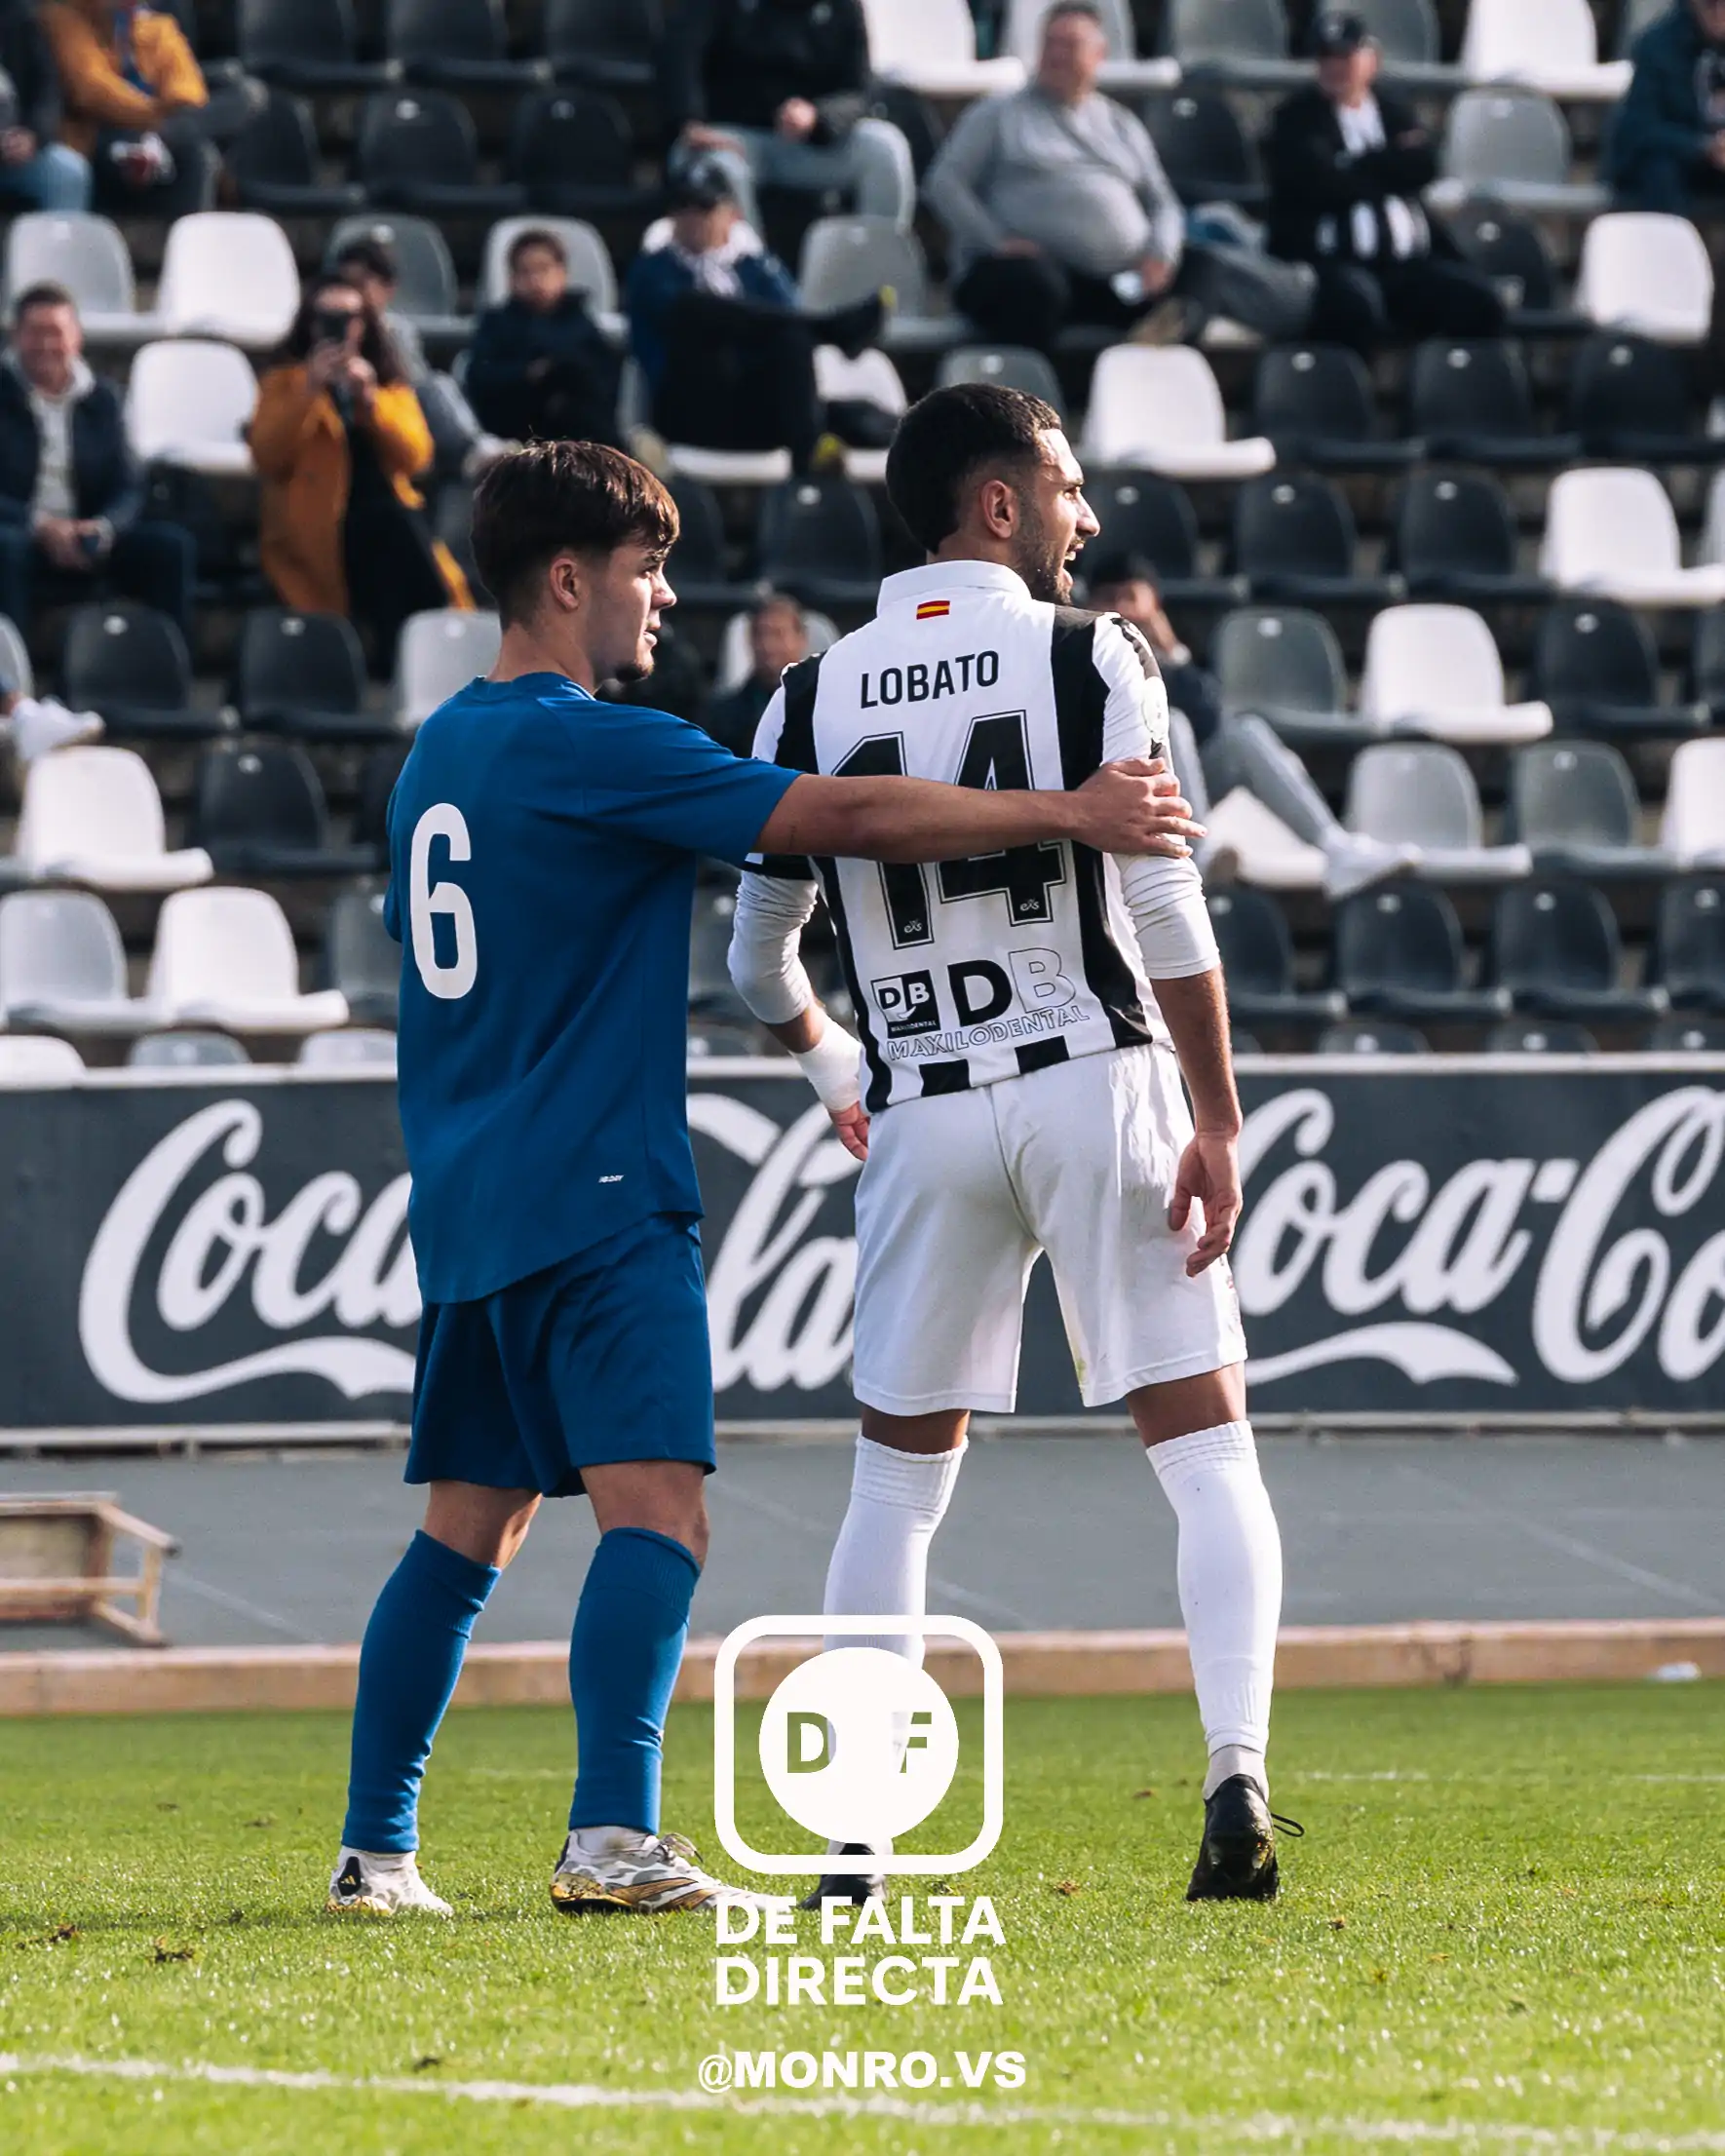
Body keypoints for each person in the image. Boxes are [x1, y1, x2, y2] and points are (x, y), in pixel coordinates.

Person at [326, 437, 1193, 1917]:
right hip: (598, 1192)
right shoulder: (590, 742)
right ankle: (610, 1841)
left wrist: (810, 1039)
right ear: (563, 578)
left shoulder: (439, 754)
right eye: (643, 570)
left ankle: (376, 1850)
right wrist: (1070, 813)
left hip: (467, 1194)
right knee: (660, 1511)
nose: (662, 599)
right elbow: (835, 814)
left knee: (465, 1530)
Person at [725, 384, 1293, 1906]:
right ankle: (1235, 1777)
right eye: (1064, 481)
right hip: (1090, 1076)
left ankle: (855, 1835)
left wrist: (831, 1060)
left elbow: (750, 952)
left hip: (919, 1101)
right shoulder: (1089, 651)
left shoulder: (803, 695)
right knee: (1206, 1451)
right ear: (996, 503)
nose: (1086, 512)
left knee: (894, 1490)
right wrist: (1219, 1115)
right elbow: (1164, 902)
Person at [1084, 551, 1416, 900]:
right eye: (1109, 598)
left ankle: (1336, 848)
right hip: (1106, 789)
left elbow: (1210, 719)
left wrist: (1171, 653)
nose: (1121, 608)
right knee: (1175, 723)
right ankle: (1197, 853)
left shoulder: (1169, 663)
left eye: (1130, 597)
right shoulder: (1078, 651)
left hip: (1166, 792)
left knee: (1243, 734)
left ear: (1154, 603)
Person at [925, 3, 1196, 352]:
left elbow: (1163, 202)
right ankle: (1034, 396)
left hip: (1110, 283)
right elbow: (945, 183)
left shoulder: (1121, 123)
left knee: (1205, 268)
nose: (1056, 54)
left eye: (1069, 45)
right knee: (1033, 286)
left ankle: (1144, 357)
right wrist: (995, 240)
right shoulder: (998, 113)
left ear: (1099, 55)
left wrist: (1161, 254)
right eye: (1049, 43)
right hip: (1023, 274)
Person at [249, 276, 470, 663]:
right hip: (316, 526)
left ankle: (415, 657)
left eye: (350, 317)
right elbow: (267, 455)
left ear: (365, 324)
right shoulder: (284, 383)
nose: (340, 327)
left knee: (399, 532)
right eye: (327, 317)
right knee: (395, 533)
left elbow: (417, 457)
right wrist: (310, 390)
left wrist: (371, 403)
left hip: (387, 519)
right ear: (310, 323)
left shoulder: (386, 383)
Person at [1264, 13, 1504, 354]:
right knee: (1355, 305)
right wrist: (1389, 167)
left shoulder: (1392, 109)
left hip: (1407, 263)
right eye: (1326, 58)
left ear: (1370, 60)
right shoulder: (1295, 118)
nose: (1335, 68)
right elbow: (1317, 183)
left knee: (1479, 300)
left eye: (1344, 57)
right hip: (1336, 262)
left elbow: (1424, 165)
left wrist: (1353, 166)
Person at [625, 158, 882, 474]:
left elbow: (788, 319)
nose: (692, 218)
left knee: (792, 337)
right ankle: (829, 327)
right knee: (694, 310)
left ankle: (808, 455)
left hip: (753, 411)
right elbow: (678, 319)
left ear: (732, 215)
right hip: (688, 411)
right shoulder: (652, 270)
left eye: (703, 207)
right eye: (682, 207)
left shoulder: (756, 267)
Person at [0, 281, 193, 637]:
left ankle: (169, 670)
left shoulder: (104, 400)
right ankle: (14, 681)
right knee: (5, 550)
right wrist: (40, 526)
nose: (45, 345)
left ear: (76, 338)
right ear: (15, 337)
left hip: (88, 536)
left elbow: (130, 485)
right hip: (21, 535)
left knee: (170, 548)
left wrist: (103, 528)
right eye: (34, 333)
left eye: (55, 333)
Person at [661, 0, 916, 233]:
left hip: (806, 145)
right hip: (728, 139)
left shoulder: (843, 7)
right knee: (721, 172)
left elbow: (860, 91)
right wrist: (689, 122)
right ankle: (752, 278)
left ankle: (878, 274)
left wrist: (819, 115)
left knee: (884, 147)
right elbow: (679, 53)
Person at [330, 233, 505, 483]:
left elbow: (411, 385)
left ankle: (474, 449)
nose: (354, 294)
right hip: (353, 416)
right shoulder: (325, 323)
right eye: (346, 284)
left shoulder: (396, 330)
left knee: (438, 385)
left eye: (361, 284)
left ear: (388, 288)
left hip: (398, 416)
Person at [41, 0, 225, 217]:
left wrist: (165, 120)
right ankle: (165, 136)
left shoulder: (159, 24)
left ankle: (188, 246)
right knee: (190, 141)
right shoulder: (63, 15)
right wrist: (157, 118)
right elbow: (90, 91)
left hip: (159, 130)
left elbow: (189, 90)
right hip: (100, 132)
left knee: (203, 151)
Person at [465, 226, 620, 449]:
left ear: (562, 274)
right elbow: (481, 376)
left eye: (543, 269)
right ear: (511, 278)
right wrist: (530, 373)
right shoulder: (497, 324)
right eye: (525, 271)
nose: (535, 280)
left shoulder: (579, 321)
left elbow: (604, 380)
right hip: (520, 424)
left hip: (581, 430)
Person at [1606, 0, 1725, 217]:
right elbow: (1637, 131)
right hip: (1672, 165)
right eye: (1711, 5)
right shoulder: (1658, 47)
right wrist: (1704, 147)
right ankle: (1667, 246)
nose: (1719, 12)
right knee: (1659, 169)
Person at [0, 0, 90, 210]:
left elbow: (47, 89)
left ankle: (63, 242)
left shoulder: (18, 15)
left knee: (68, 173)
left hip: (12, 151)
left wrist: (34, 135)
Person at [700, 591, 809, 755]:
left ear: (801, 639)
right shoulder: (722, 716)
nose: (767, 646)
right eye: (760, 634)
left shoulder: (823, 708)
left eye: (778, 634)